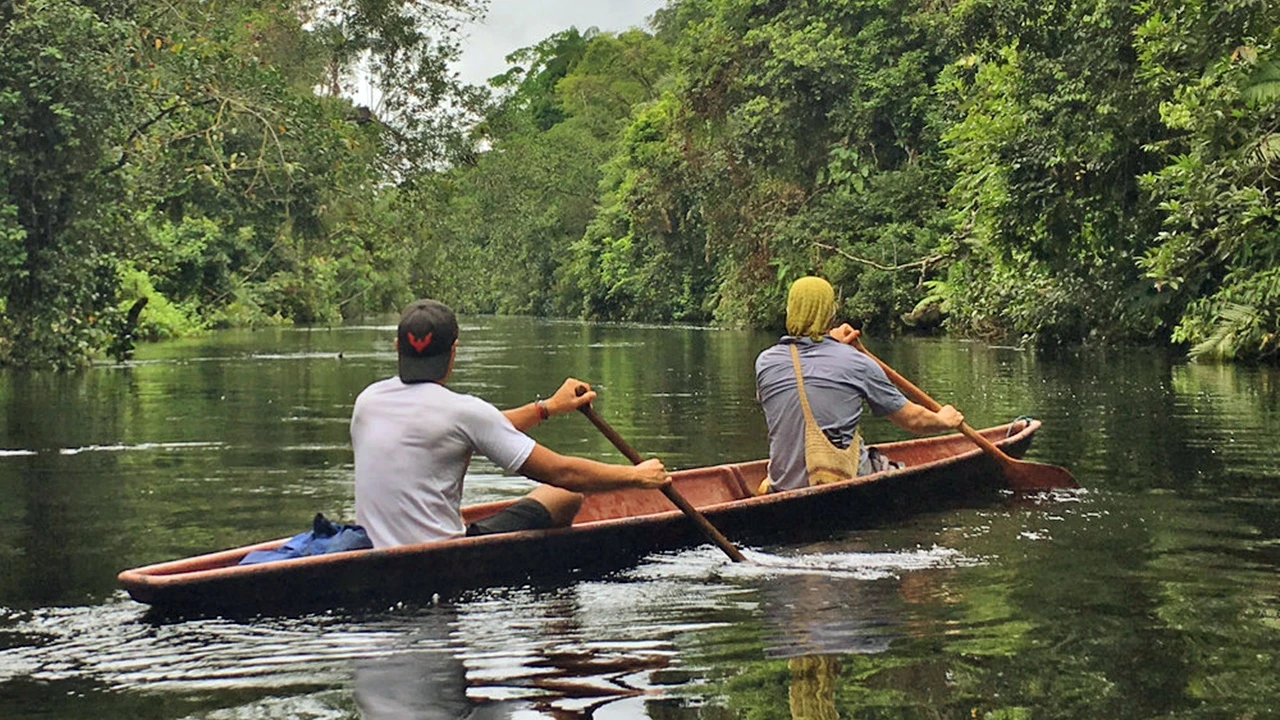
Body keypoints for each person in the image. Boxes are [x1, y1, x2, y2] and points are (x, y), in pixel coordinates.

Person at [351, 298, 670, 548]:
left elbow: (479, 430)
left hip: (374, 549)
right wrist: (636, 475)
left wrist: (548, 408)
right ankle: (554, 589)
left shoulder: (368, 401)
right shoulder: (463, 412)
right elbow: (562, 472)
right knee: (564, 495)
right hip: (443, 553)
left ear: (397, 348)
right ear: (453, 351)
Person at [755, 277, 964, 493]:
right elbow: (913, 420)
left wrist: (830, 342)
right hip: (842, 480)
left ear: (789, 311)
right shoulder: (855, 362)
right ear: (831, 314)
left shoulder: (765, 362)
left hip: (783, 483)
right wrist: (943, 420)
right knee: (896, 472)